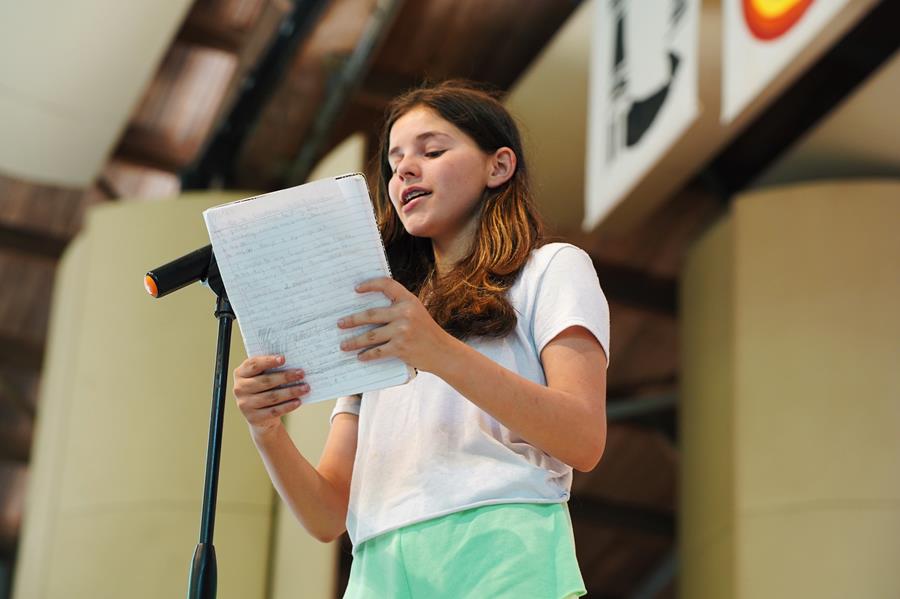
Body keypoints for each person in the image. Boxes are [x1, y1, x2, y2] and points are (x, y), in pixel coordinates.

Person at [232, 80, 610, 598]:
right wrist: (268, 429)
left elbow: (584, 439)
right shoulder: (383, 317)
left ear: (498, 166)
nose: (405, 169)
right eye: (394, 162)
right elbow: (326, 516)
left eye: (432, 151)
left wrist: (437, 351)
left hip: (501, 546)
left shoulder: (551, 269)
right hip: (377, 566)